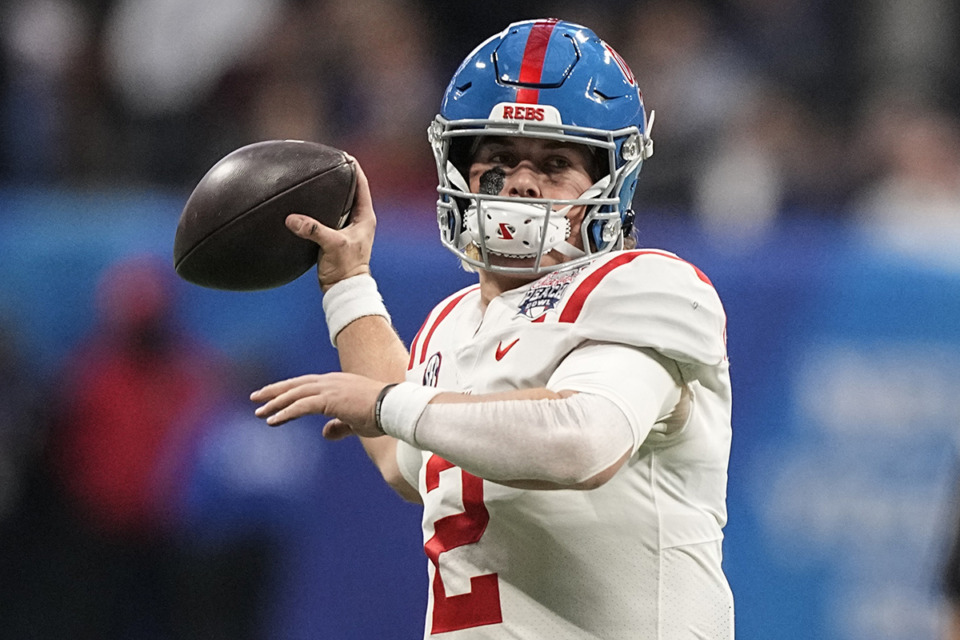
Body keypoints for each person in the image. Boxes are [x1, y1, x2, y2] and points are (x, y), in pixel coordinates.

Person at [252, 18, 734, 639]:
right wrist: (347, 283)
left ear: (612, 181)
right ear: (458, 170)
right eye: (500, 158)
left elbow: (584, 440)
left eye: (556, 163)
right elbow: (404, 456)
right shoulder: (453, 324)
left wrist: (388, 401)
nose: (524, 181)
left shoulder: (643, 286)